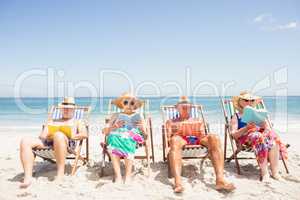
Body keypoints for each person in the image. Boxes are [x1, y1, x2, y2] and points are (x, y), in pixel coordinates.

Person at [166, 96, 235, 193]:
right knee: (174, 140)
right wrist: (178, 131)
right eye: (183, 106)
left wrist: (197, 130)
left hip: (198, 139)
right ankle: (178, 182)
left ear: (191, 108)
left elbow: (203, 135)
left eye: (188, 106)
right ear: (177, 108)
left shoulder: (198, 120)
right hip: (181, 140)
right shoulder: (171, 122)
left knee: (214, 138)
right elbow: (168, 139)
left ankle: (220, 179)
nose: (185, 108)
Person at [19, 97, 87, 188]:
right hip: (48, 142)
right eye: (64, 108)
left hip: (67, 143)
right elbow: (42, 136)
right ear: (61, 110)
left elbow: (84, 134)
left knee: (58, 135)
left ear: (73, 110)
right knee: (25, 141)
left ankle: (60, 175)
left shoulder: (77, 121)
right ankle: (28, 177)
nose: (66, 110)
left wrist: (73, 136)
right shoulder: (53, 121)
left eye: (69, 109)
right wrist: (49, 135)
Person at [230, 91, 288, 182]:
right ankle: (265, 173)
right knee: (257, 136)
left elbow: (268, 129)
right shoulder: (236, 116)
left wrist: (264, 126)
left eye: (251, 100)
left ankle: (275, 172)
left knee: (273, 138)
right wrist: (246, 128)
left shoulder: (257, 114)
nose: (249, 102)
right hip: (247, 138)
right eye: (246, 100)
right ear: (240, 102)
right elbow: (234, 134)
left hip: (262, 136)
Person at [102, 93, 147, 184]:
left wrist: (142, 128)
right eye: (126, 102)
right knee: (112, 137)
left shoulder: (139, 116)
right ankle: (118, 175)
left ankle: (127, 176)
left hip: (132, 137)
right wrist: (114, 126)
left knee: (129, 137)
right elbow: (104, 132)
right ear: (122, 104)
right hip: (117, 136)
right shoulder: (115, 115)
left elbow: (146, 136)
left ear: (135, 105)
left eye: (132, 103)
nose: (129, 105)